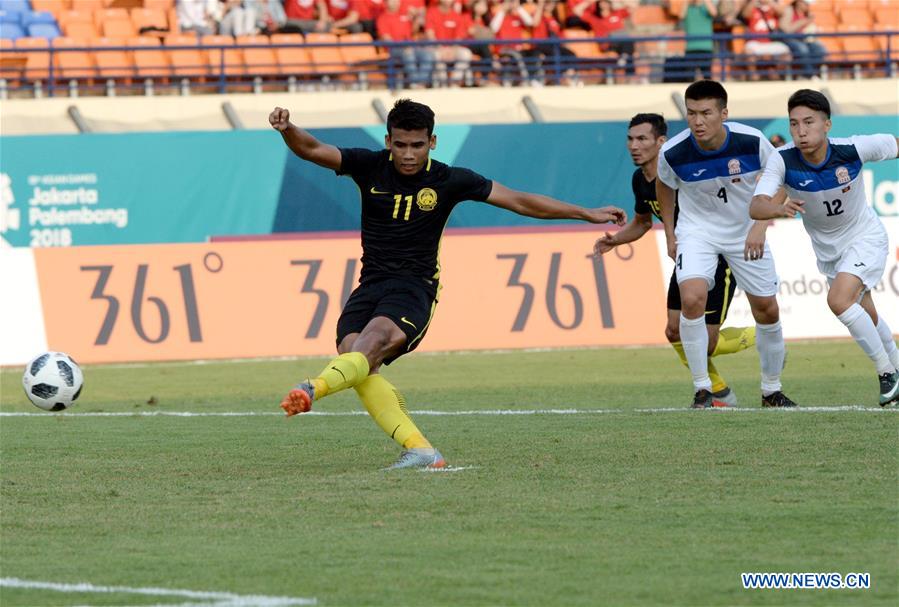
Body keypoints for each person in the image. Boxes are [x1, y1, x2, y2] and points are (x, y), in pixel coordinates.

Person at [269, 99, 627, 469]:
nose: (409, 154)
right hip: (369, 286)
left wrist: (584, 212)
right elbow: (311, 149)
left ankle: (313, 388)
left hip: (413, 289)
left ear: (432, 142)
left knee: (369, 344)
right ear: (388, 141)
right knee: (358, 361)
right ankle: (422, 451)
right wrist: (287, 129)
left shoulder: (450, 180)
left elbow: (519, 201)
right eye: (401, 145)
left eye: (417, 145)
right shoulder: (369, 166)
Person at [594, 113, 756, 407]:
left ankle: (765, 335)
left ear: (662, 142)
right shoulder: (639, 179)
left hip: (717, 255)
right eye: (630, 139)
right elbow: (643, 222)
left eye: (642, 139)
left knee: (706, 343)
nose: (634, 145)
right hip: (686, 260)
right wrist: (615, 240)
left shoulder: (683, 172)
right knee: (673, 331)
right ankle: (717, 392)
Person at [750, 89, 899, 406]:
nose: (801, 131)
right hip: (829, 252)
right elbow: (756, 205)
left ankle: (888, 374)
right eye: (794, 124)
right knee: (867, 313)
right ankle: (897, 367)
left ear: (827, 124)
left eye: (809, 122)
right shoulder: (783, 159)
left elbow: (896, 145)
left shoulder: (854, 149)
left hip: (865, 237)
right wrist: (777, 210)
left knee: (839, 300)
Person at [656, 80, 796, 408]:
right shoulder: (673, 152)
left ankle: (771, 390)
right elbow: (665, 187)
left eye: (706, 113)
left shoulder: (751, 141)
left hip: (745, 232)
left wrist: (760, 226)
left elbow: (784, 176)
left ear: (724, 114)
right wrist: (670, 233)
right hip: (697, 233)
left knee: (767, 308)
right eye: (691, 113)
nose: (698, 121)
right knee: (691, 298)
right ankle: (703, 388)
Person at [779, 0, 826, 80]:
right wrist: (804, 21)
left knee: (820, 49)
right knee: (802, 49)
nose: (808, 6)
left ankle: (806, 74)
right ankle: (810, 75)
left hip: (803, 39)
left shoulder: (807, 14)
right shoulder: (789, 10)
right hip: (789, 39)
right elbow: (786, 30)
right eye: (806, 4)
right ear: (799, 2)